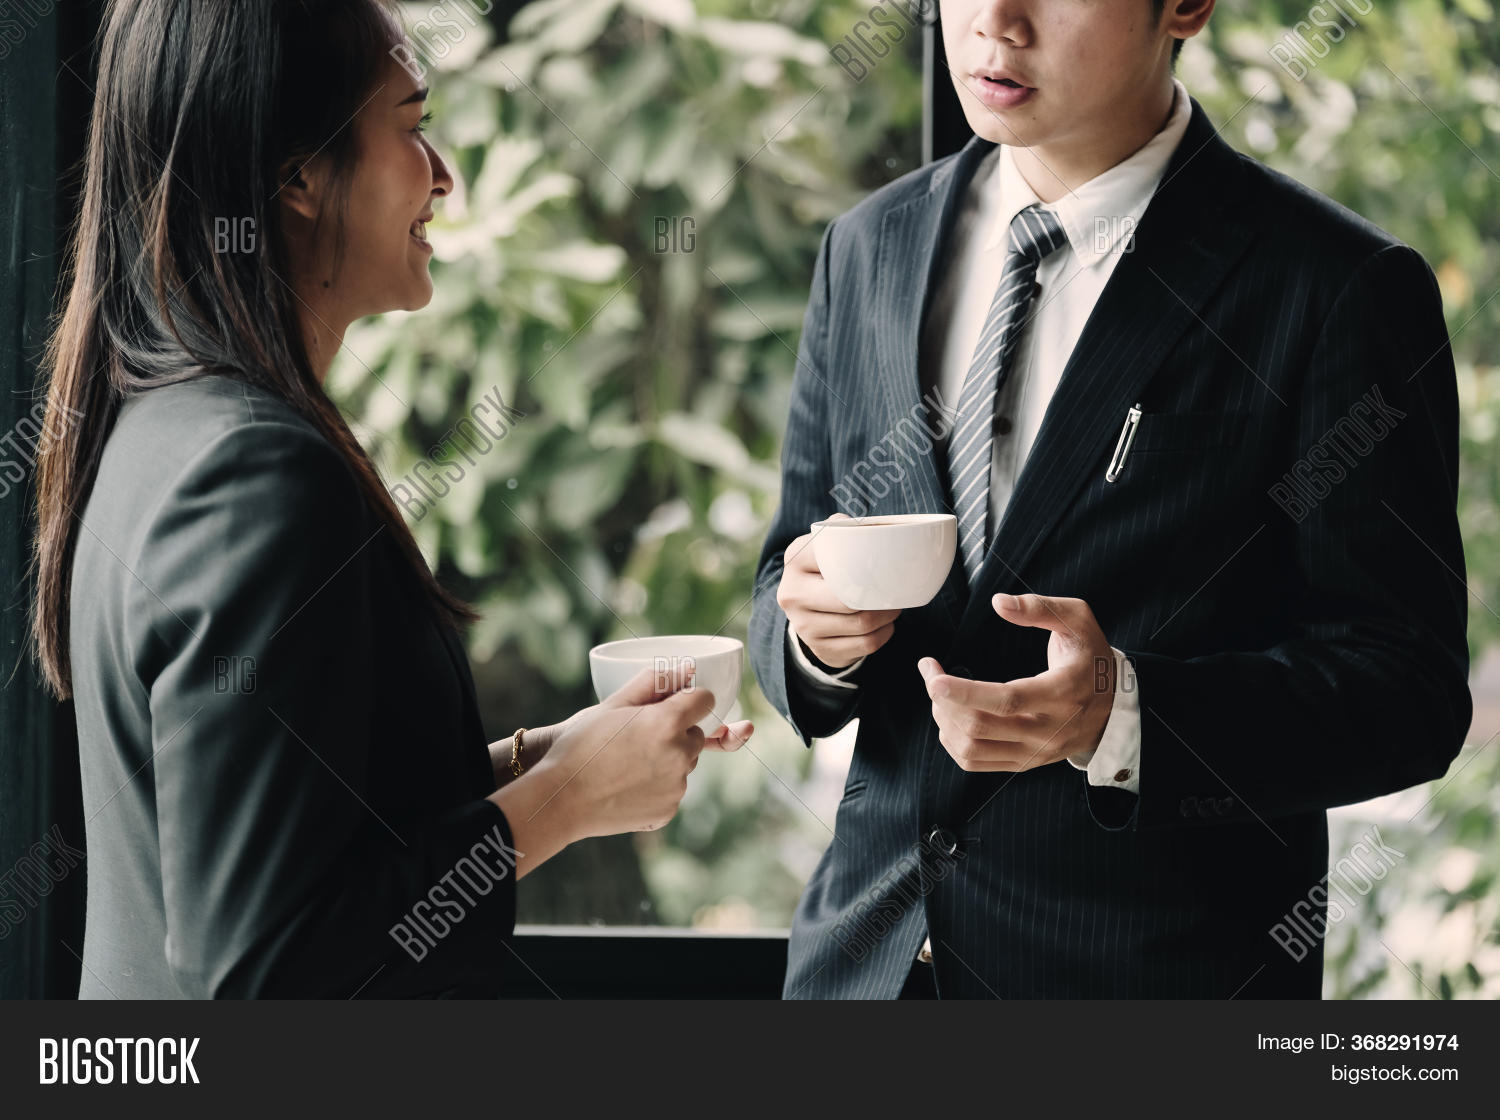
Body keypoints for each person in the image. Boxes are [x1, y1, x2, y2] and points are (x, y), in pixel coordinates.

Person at [30, 0, 752, 999]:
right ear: (295, 176)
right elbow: (268, 971)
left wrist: (544, 759)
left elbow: (302, 831)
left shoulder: (164, 425)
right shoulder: (253, 481)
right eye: (413, 126)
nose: (444, 175)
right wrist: (568, 799)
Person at [749, 0, 1470, 998]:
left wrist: (1122, 716)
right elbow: (784, 571)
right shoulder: (868, 246)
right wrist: (815, 637)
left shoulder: (1335, 286)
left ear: (1185, 7)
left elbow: (1409, 695)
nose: (996, 20)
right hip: (858, 978)